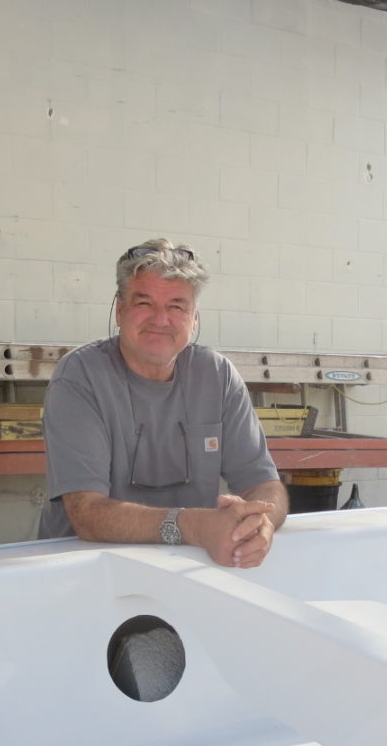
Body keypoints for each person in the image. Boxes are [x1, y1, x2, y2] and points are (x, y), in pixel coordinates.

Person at [38, 238, 288, 568]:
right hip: (86, 571)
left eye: (176, 306)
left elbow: (265, 485)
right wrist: (196, 526)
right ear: (120, 310)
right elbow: (87, 513)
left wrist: (260, 522)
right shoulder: (80, 376)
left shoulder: (217, 375)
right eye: (144, 303)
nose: (161, 319)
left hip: (189, 566)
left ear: (194, 318)